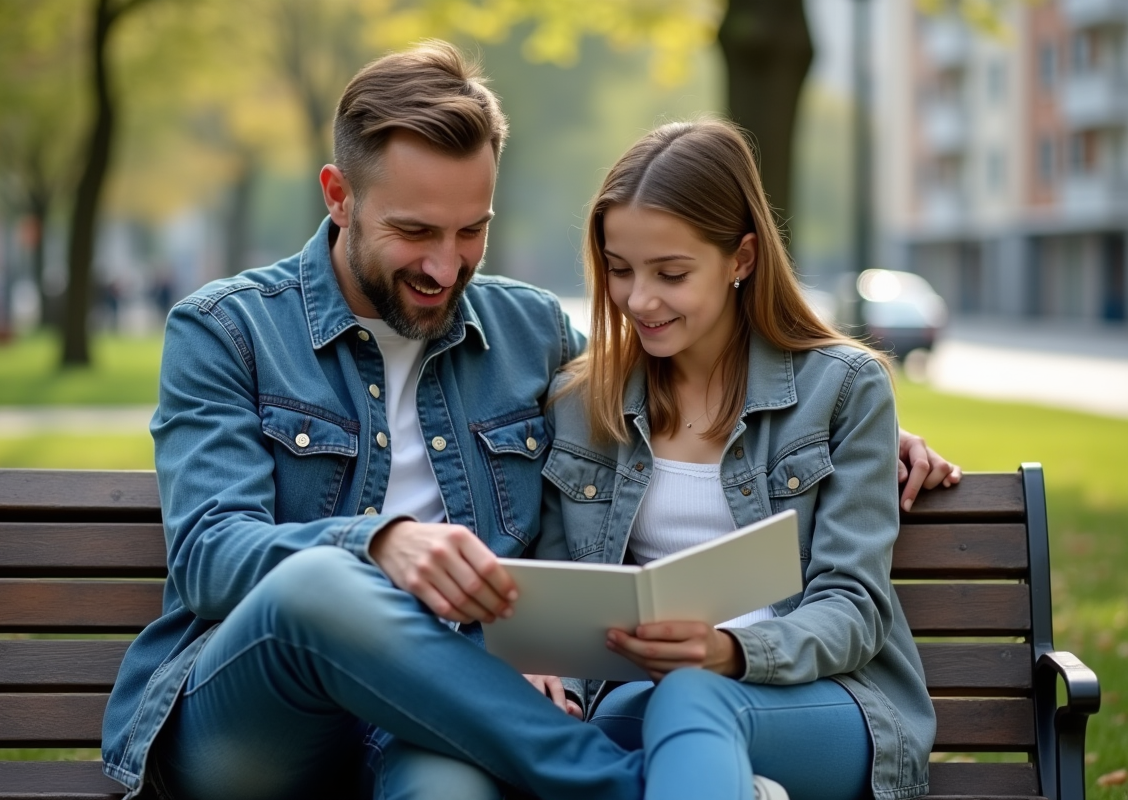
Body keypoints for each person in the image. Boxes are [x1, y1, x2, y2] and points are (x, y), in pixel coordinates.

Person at [101, 42, 955, 800]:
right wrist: (379, 542)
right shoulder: (229, 330)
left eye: (472, 230)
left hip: (457, 715)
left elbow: (684, 375)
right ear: (339, 196)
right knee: (322, 583)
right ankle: (618, 786)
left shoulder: (530, 333)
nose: (445, 266)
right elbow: (211, 553)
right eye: (414, 231)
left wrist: (878, 444)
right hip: (267, 720)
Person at [535, 119, 944, 800]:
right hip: (639, 699)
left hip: (823, 702)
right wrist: (557, 680)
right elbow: (564, 600)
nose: (639, 299)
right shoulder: (582, 401)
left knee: (692, 697)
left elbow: (854, 607)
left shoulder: (842, 388)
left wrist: (728, 653)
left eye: (671, 273)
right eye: (619, 270)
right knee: (595, 739)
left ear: (742, 259)